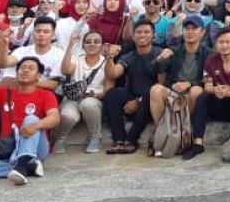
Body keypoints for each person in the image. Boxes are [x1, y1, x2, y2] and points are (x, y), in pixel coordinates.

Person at [0, 56, 59, 185]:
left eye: (31, 68)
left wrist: (37, 125)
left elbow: (55, 118)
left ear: (38, 75)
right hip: (9, 148)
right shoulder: (4, 93)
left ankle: (24, 162)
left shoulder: (46, 94)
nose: (25, 71)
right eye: (22, 68)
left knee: (31, 119)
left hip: (36, 149)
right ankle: (27, 168)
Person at [183, 27, 230, 160]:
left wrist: (228, 93)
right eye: (221, 42)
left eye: (228, 42)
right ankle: (197, 143)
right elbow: (207, 86)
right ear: (216, 44)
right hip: (218, 103)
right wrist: (217, 90)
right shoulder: (211, 60)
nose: (224, 45)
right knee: (203, 97)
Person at [147, 15, 209, 155]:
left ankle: (184, 130)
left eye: (194, 28)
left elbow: (210, 80)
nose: (190, 31)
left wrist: (189, 83)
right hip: (173, 93)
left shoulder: (208, 53)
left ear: (202, 32)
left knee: (197, 91)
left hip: (191, 94)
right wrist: (159, 60)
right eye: (187, 28)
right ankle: (163, 132)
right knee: (156, 89)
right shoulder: (174, 50)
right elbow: (151, 72)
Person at [102, 21, 161, 154]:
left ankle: (131, 140)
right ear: (133, 36)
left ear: (153, 36)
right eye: (139, 32)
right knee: (112, 94)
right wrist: (110, 57)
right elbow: (113, 73)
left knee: (149, 95)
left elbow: (162, 85)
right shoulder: (129, 56)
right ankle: (119, 139)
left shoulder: (160, 54)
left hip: (152, 99)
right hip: (134, 92)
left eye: (146, 32)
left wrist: (138, 101)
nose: (142, 35)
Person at [53, 31, 108, 154]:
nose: (92, 44)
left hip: (94, 99)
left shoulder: (106, 62)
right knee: (68, 114)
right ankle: (61, 138)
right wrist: (70, 46)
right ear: (83, 45)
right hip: (73, 97)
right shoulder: (76, 58)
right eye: (88, 42)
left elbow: (107, 90)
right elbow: (66, 70)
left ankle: (95, 136)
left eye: (96, 42)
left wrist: (94, 95)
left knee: (87, 103)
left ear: (102, 46)